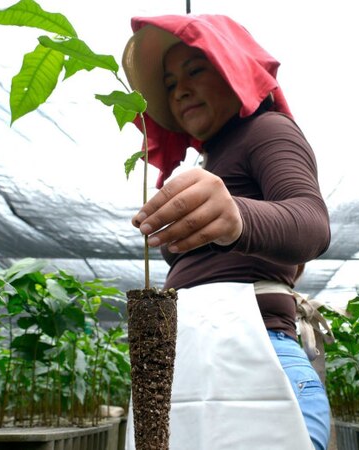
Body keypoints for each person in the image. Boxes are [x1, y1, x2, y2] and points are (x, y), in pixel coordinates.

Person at [122, 14, 331, 450]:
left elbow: (312, 220)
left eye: (195, 70)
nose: (179, 89)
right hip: (193, 359)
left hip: (254, 355)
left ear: (232, 71)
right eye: (169, 81)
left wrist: (237, 217)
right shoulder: (206, 163)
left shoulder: (267, 130)